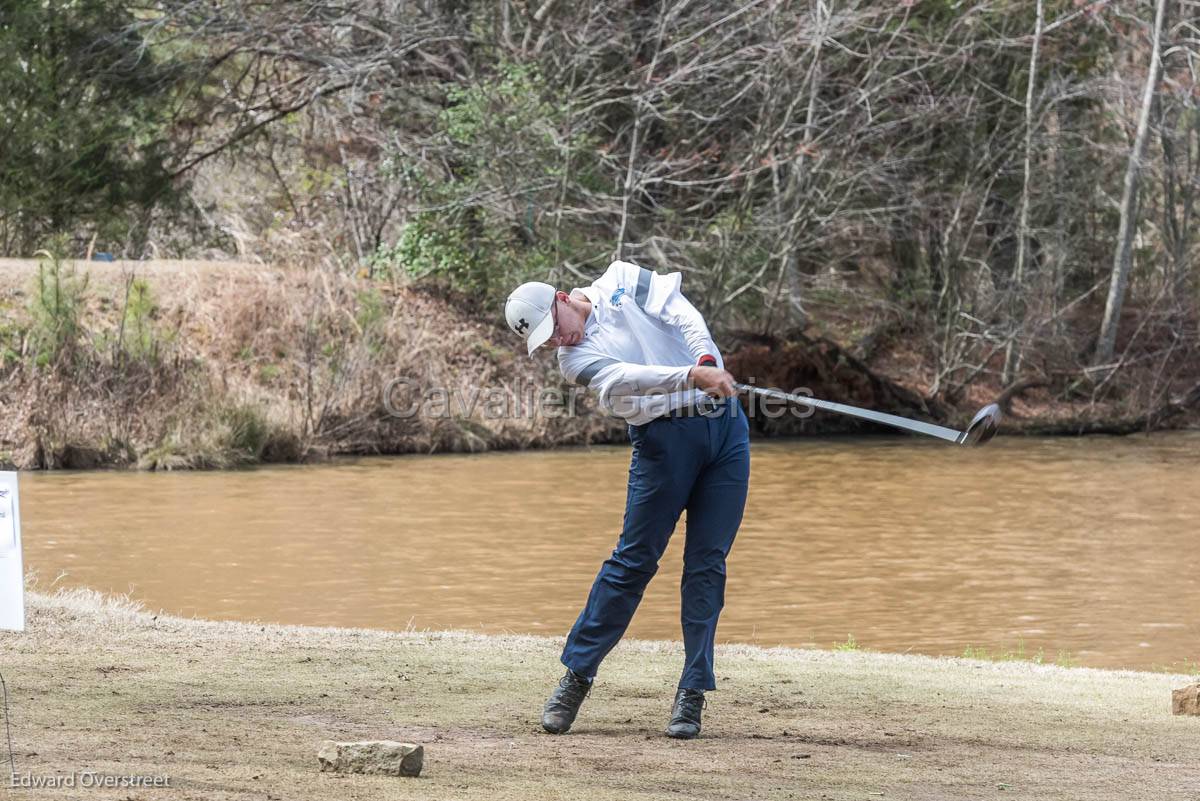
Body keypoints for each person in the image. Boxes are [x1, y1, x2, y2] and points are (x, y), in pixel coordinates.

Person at [504, 260, 750, 739]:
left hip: (726, 432)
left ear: (560, 298)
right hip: (663, 444)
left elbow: (680, 312)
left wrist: (704, 361)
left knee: (707, 562)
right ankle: (576, 677)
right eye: (546, 342)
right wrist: (689, 377)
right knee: (633, 561)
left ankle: (692, 692)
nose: (557, 342)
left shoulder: (620, 280)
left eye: (554, 329)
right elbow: (624, 380)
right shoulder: (575, 361)